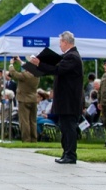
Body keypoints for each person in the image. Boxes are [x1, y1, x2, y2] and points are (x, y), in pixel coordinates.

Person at [30, 31, 83, 164]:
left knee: (69, 127)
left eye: (60, 42)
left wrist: (39, 64)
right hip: (66, 100)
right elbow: (56, 67)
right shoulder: (68, 56)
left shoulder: (72, 57)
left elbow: (58, 69)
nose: (59, 45)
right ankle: (66, 153)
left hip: (69, 101)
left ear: (66, 42)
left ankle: (70, 154)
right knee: (65, 127)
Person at [9, 56, 40, 142]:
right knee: (33, 121)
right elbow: (28, 67)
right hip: (33, 99)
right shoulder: (37, 73)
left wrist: (11, 64)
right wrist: (19, 61)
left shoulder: (25, 75)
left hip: (24, 99)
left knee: (24, 121)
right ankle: (34, 139)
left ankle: (26, 139)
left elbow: (13, 73)